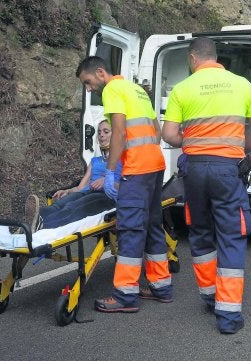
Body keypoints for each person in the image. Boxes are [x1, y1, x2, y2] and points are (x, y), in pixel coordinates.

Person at [161, 37, 251, 334]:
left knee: (201, 231)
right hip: (226, 170)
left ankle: (209, 297)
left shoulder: (183, 88)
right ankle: (228, 315)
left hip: (194, 170)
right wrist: (237, 148)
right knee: (231, 235)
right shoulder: (242, 84)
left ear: (194, 59)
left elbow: (169, 135)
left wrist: (194, 141)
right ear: (214, 57)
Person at [76, 56, 173, 313]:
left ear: (100, 73)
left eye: (87, 82)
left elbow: (118, 132)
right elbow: (156, 128)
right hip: (155, 165)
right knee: (153, 225)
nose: (88, 89)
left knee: (129, 228)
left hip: (137, 170)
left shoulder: (113, 90)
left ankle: (126, 295)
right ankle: (160, 286)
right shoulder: (136, 89)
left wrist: (110, 172)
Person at [23, 120, 121, 231]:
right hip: (86, 192)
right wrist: (68, 191)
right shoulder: (95, 161)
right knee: (57, 206)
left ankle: (40, 225)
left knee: (71, 208)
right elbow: (80, 187)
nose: (101, 135)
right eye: (99, 132)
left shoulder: (122, 159)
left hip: (106, 196)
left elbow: (127, 187)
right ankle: (22, 220)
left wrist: (107, 180)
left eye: (106, 131)